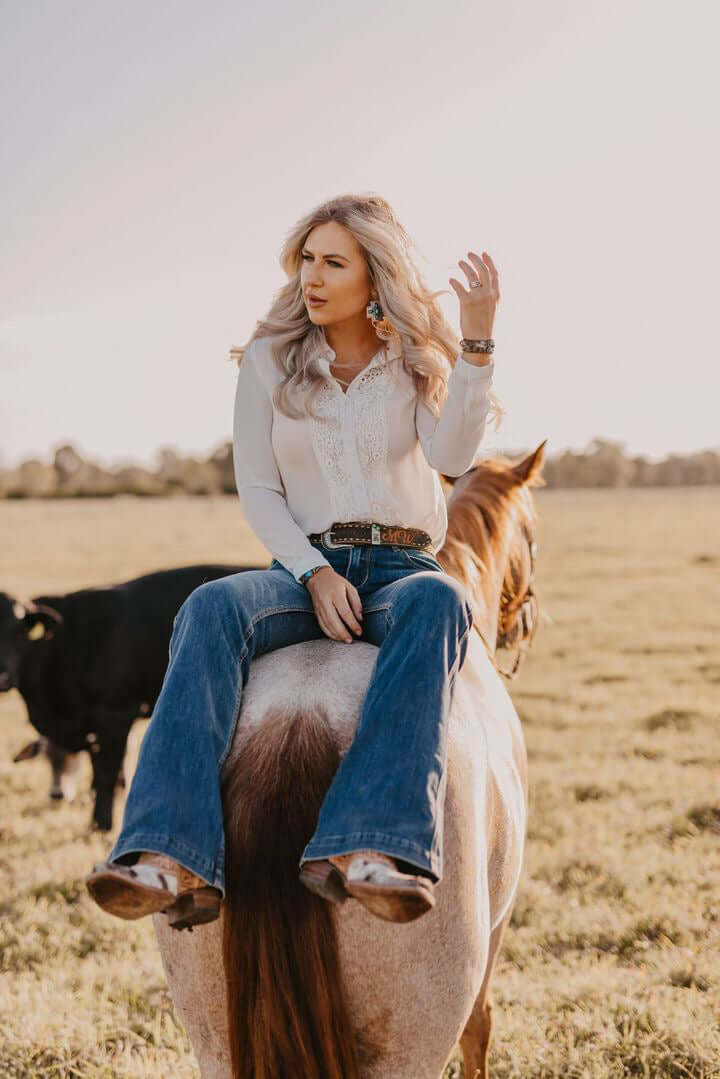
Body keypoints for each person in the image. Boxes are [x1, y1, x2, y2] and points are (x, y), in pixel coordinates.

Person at [86, 193, 502, 930]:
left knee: (444, 601)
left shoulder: (414, 360)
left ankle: (374, 844)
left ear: (374, 276)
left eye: (333, 262)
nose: (312, 276)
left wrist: (475, 343)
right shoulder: (270, 361)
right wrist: (313, 571)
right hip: (303, 568)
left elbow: (452, 455)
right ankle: (167, 853)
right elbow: (259, 489)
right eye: (306, 259)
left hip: (404, 569)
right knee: (210, 604)